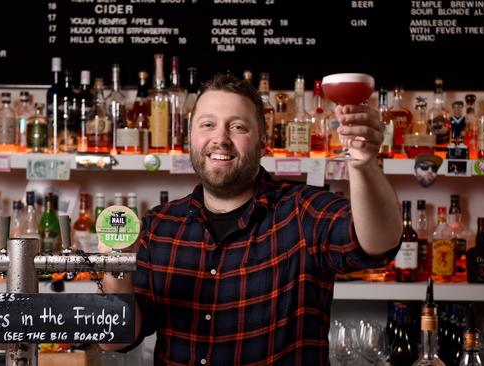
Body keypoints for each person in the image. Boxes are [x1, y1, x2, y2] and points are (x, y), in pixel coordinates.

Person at [100, 74, 402, 365]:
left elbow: (376, 244)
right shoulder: (160, 224)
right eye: (207, 124)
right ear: (189, 137)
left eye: (238, 127)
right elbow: (116, 339)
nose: (220, 139)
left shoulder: (303, 212)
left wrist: (364, 165)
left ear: (263, 141)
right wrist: (116, 270)